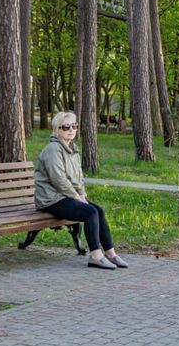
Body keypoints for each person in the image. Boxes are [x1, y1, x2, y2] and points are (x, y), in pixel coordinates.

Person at [34, 111, 128, 270]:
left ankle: (110, 253)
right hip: (51, 199)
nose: (71, 130)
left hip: (66, 196)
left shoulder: (72, 149)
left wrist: (82, 194)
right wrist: (77, 197)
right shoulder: (53, 150)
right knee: (89, 212)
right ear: (57, 129)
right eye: (66, 127)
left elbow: (79, 178)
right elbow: (58, 180)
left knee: (98, 210)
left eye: (74, 126)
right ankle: (96, 256)